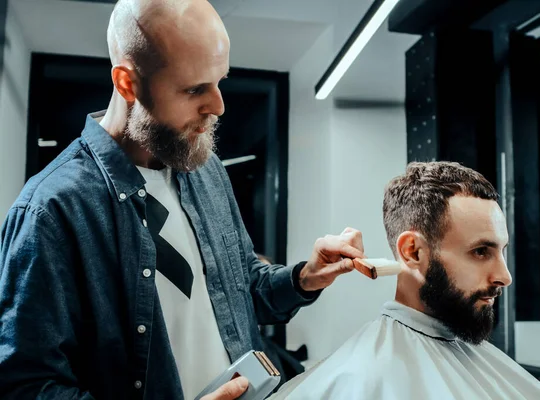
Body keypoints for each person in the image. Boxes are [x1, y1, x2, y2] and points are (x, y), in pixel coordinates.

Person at [0, 1, 366, 399]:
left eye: (220, 80)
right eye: (195, 89)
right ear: (127, 83)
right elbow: (27, 386)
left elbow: (243, 289)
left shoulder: (205, 171)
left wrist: (304, 277)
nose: (219, 106)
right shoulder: (51, 210)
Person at [268, 161, 540, 400]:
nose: (504, 277)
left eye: (502, 251)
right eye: (481, 251)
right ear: (413, 252)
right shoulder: (361, 379)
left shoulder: (478, 357)